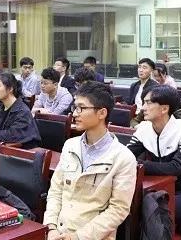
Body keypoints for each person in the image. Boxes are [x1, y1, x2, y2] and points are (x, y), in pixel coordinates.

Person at [43, 81, 137, 240]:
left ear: (102, 113)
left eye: (81, 108)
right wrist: (51, 227)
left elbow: (118, 210)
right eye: (75, 107)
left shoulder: (123, 158)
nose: (75, 113)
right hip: (58, 232)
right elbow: (56, 191)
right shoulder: (70, 145)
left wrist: (77, 237)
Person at [127, 86, 181, 231]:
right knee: (127, 204)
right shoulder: (143, 129)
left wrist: (140, 165)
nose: (143, 108)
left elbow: (175, 168)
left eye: (148, 103)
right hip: (157, 190)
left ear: (164, 109)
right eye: (144, 102)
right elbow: (125, 156)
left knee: (149, 210)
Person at [127, 58, 159, 127]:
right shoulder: (134, 85)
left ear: (151, 71)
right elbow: (129, 103)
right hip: (133, 116)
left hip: (145, 118)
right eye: (139, 67)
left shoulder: (155, 87)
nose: (141, 70)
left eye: (144, 68)